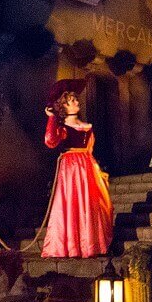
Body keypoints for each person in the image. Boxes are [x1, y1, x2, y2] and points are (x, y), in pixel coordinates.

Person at [41, 79, 113, 259]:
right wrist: (51, 118)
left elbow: (90, 149)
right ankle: (70, 246)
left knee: (93, 203)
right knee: (72, 203)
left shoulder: (87, 127)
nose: (76, 102)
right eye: (70, 100)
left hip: (87, 166)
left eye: (75, 99)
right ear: (62, 106)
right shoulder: (62, 127)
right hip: (70, 168)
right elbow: (50, 141)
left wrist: (97, 170)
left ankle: (91, 244)